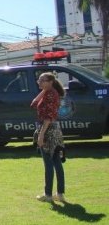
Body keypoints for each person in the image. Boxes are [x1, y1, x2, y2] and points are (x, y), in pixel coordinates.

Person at [31, 72, 66, 203]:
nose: (39, 82)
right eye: (39, 80)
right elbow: (34, 104)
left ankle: (48, 195)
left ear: (50, 82)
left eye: (42, 80)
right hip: (53, 130)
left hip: (48, 131)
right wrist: (44, 90)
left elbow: (48, 118)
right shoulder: (49, 92)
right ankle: (60, 194)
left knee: (49, 163)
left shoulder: (51, 94)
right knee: (56, 161)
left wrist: (41, 135)